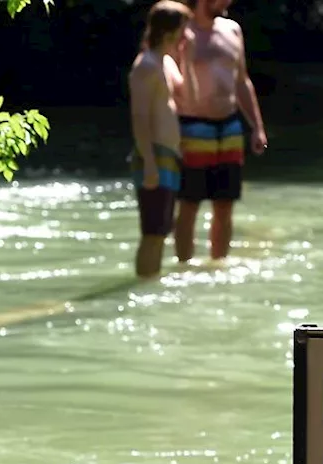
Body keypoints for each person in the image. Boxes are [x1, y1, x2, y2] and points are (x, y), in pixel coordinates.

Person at [172, 0, 267, 265]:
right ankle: (184, 266)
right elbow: (165, 80)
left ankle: (218, 265)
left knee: (225, 203)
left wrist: (257, 127)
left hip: (229, 126)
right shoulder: (181, 30)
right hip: (191, 126)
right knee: (189, 204)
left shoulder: (233, 29)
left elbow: (242, 81)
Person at [128, 0, 193, 278]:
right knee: (152, 232)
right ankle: (143, 283)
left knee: (162, 231)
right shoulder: (146, 65)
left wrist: (184, 56)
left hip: (168, 154)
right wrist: (150, 163)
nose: (186, 36)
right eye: (183, 31)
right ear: (169, 32)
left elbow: (187, 96)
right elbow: (140, 117)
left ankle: (151, 280)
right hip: (152, 156)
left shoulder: (165, 63)